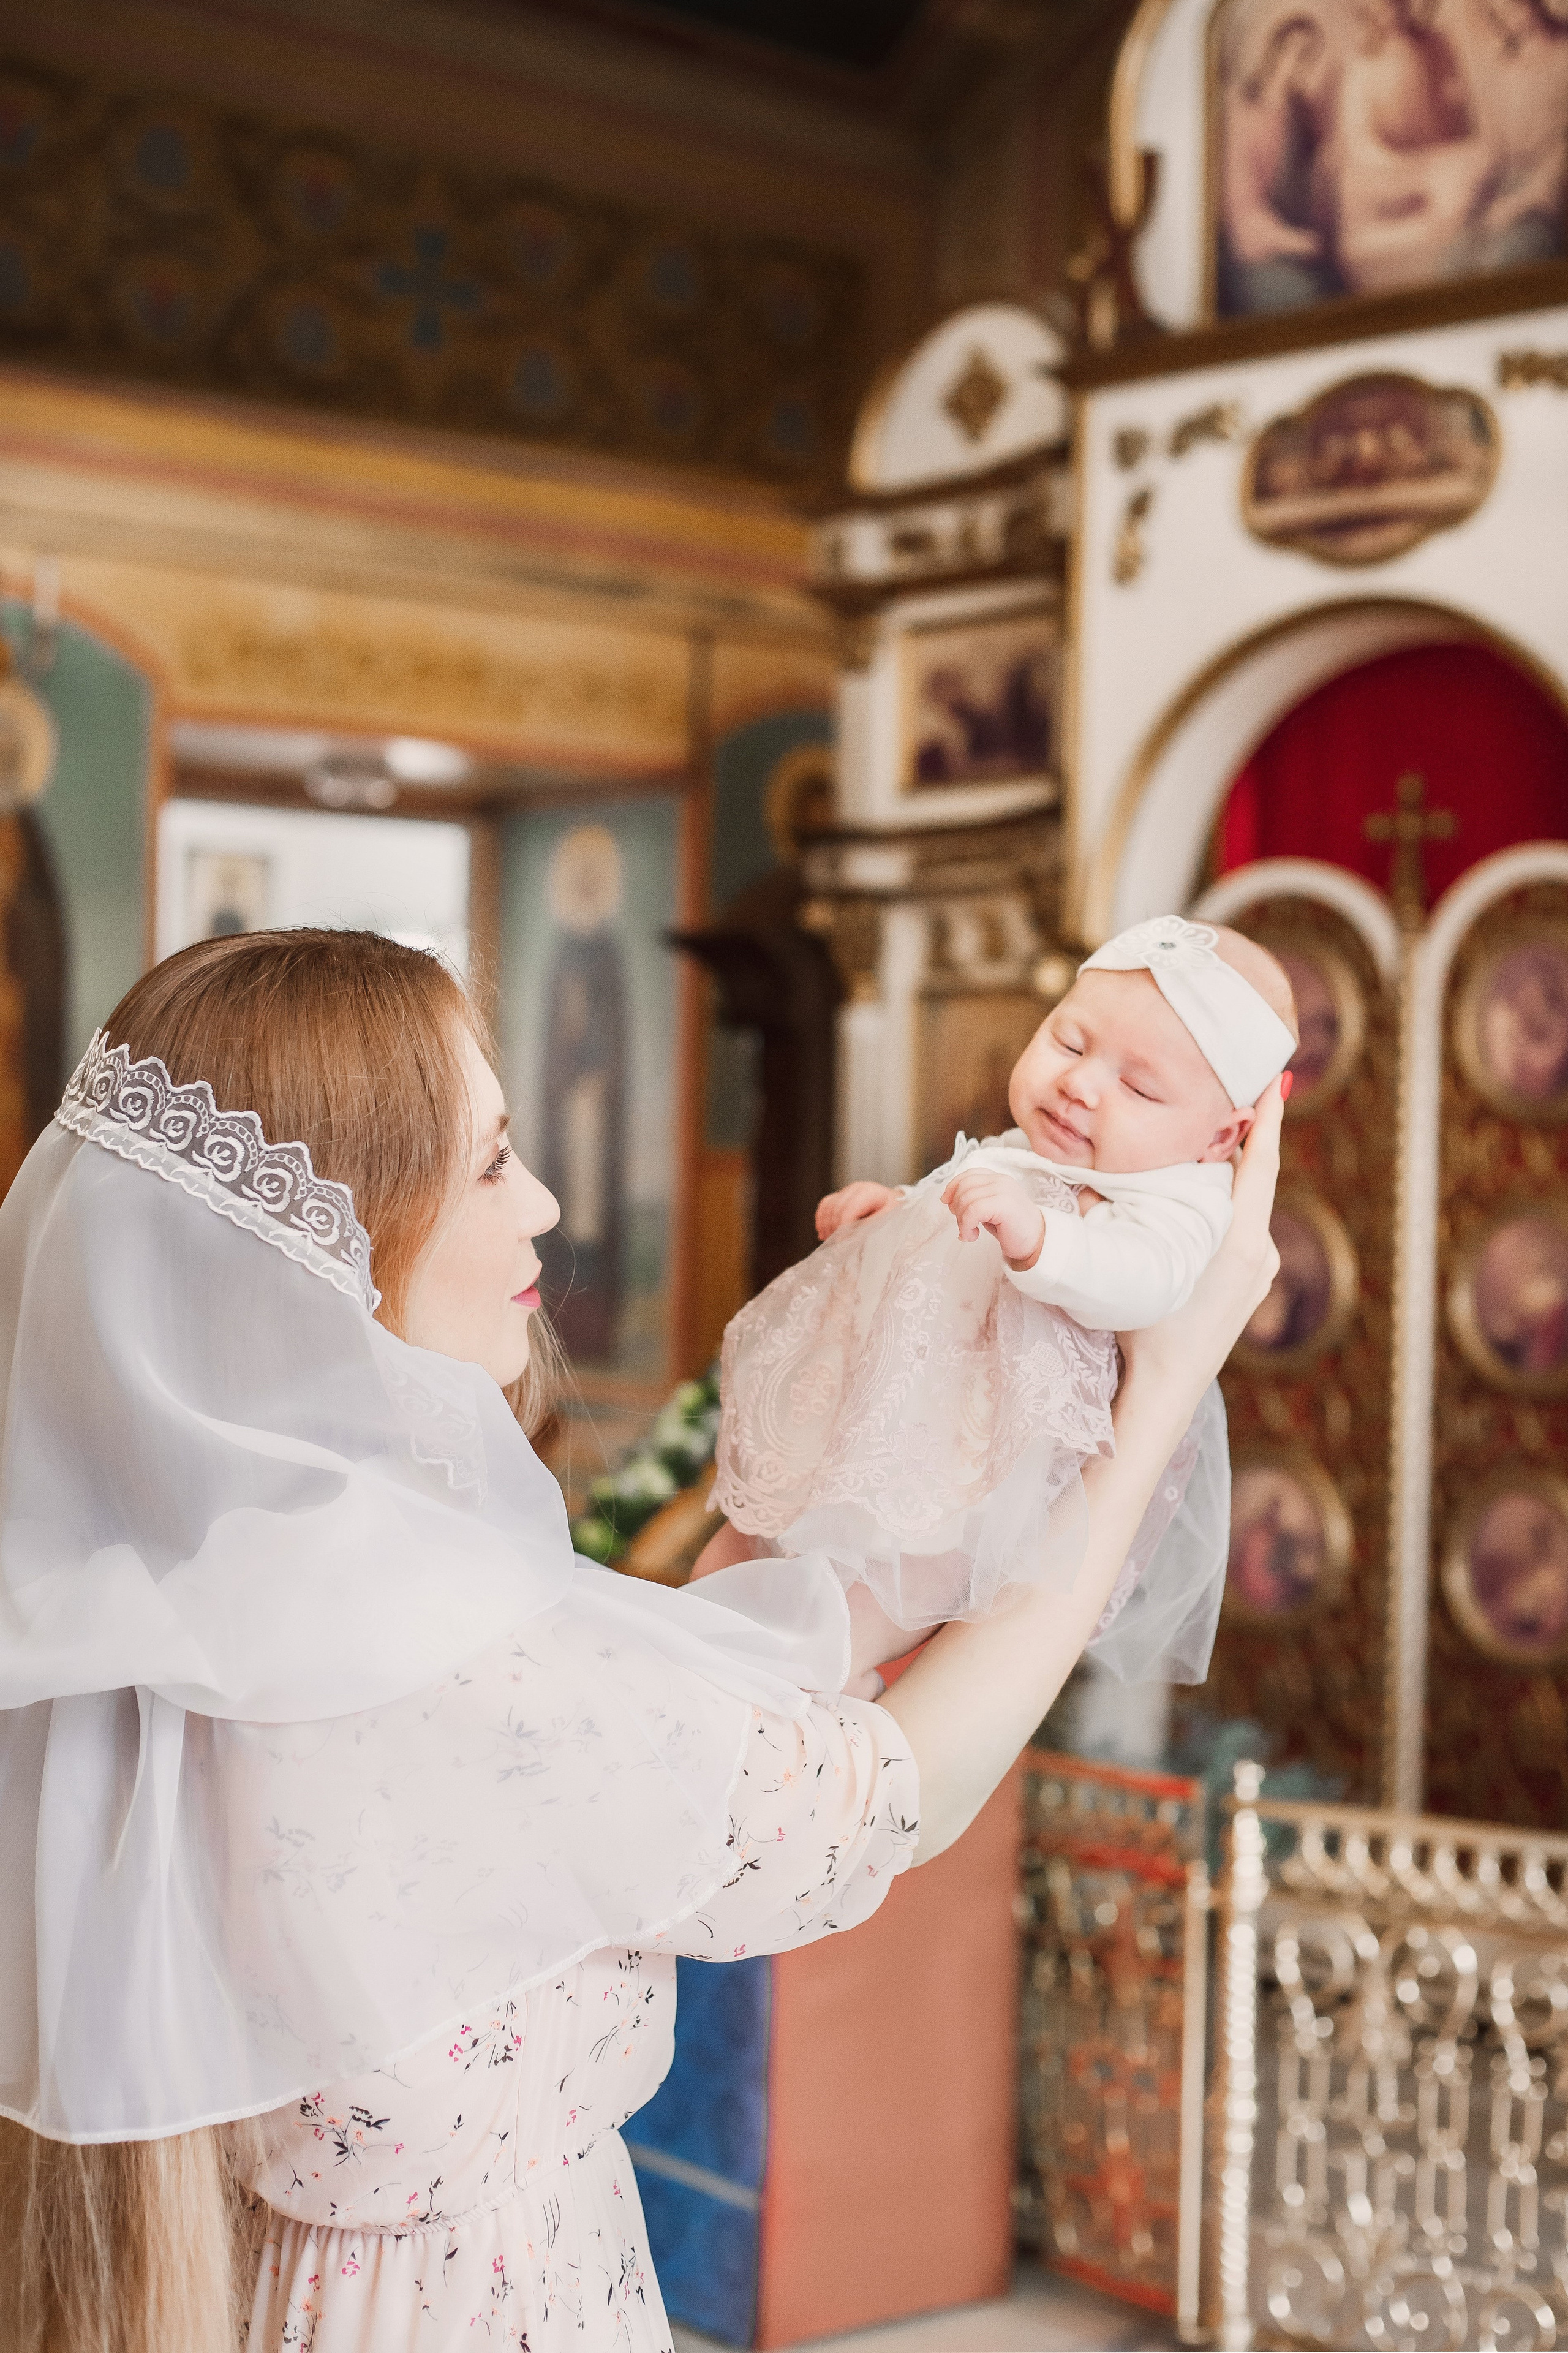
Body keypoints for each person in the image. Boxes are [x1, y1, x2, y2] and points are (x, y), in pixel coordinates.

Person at [0, 926, 1283, 2353]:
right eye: (492, 1159)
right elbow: (883, 1794)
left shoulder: (165, 1579)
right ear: (344, 1231)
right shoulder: (424, 1635)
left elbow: (640, 1697)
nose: (544, 1201)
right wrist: (1165, 1381)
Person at [707, 918, 1298, 1694]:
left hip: (984, 1465)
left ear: (1225, 1135)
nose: (1080, 1084)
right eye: (1070, 1042)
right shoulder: (1028, 1146)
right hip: (882, 1415)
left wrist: (1040, 1241)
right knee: (738, 1552)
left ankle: (835, 1683)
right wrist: (894, 1212)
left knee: (865, 1601)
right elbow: (952, 1229)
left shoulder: (1178, 1197)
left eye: (1139, 1085)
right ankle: (717, 1635)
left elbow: (1144, 1276)